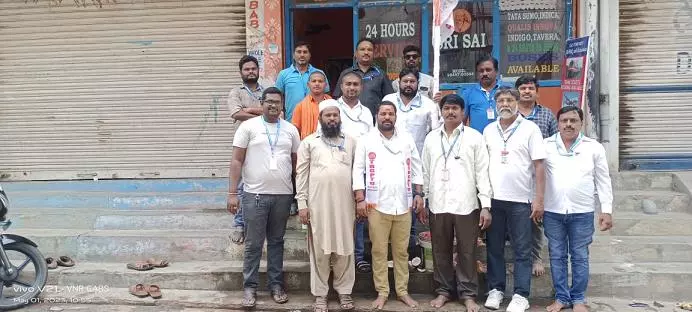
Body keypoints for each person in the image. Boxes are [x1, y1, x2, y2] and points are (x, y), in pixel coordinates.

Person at [227, 87, 301, 309]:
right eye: (268, 101)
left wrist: (299, 194)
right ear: (262, 103)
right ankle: (250, 287)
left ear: (282, 105)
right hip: (254, 195)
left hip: (283, 195)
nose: (273, 105)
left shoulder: (290, 130)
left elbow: (296, 163)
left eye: (277, 102)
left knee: (277, 242)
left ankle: (276, 285)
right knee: (253, 244)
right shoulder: (248, 127)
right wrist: (232, 193)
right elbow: (236, 161)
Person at [422, 94, 492, 312]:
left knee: (467, 251)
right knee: (440, 250)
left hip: (466, 203)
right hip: (437, 203)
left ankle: (468, 294)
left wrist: (486, 205)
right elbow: (425, 171)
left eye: (455, 108)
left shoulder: (474, 137)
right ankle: (443, 291)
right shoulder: (431, 138)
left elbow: (483, 172)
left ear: (463, 112)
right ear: (441, 112)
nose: (450, 112)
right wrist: (424, 200)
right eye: (447, 108)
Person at [352, 101, 424, 310]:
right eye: (383, 113)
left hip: (403, 204)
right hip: (377, 205)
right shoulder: (367, 140)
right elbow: (358, 170)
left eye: (390, 114)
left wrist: (419, 194)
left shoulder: (406, 139)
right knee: (379, 251)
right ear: (377, 115)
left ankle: (402, 292)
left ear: (395, 117)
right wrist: (360, 198)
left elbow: (417, 168)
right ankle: (382, 292)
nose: (386, 117)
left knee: (402, 252)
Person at [543, 106, 613, 312]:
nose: (569, 124)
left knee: (580, 256)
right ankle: (562, 298)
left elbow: (603, 180)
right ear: (558, 123)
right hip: (552, 211)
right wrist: (535, 203)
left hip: (582, 212)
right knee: (557, 255)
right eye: (564, 120)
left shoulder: (594, 147)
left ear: (582, 123)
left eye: (573, 120)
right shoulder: (545, 145)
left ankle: (579, 299)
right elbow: (534, 177)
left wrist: (606, 210)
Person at [482, 87, 546, 312]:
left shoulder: (531, 129)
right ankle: (496, 290)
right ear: (495, 104)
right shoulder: (489, 130)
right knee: (495, 248)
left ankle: (520, 294)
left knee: (522, 249)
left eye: (509, 100)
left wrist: (539, 199)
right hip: (494, 200)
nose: (505, 104)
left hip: (522, 201)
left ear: (517, 103)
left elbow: (539, 166)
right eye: (501, 100)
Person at [295, 99, 357, 312]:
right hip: (317, 206)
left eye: (335, 115)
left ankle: (344, 292)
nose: (332, 119)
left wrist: (359, 201)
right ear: (320, 118)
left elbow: (358, 174)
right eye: (327, 115)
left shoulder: (351, 142)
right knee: (320, 251)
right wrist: (302, 204)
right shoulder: (309, 142)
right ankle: (320, 295)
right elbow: (301, 175)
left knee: (345, 249)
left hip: (345, 206)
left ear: (340, 118)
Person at [382, 68, 441, 261]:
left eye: (412, 81)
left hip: (417, 165)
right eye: (405, 81)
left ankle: (411, 256)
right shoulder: (389, 101)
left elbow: (435, 133)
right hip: (389, 162)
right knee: (391, 206)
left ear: (418, 84)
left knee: (413, 207)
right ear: (398, 82)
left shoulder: (429, 105)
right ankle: (391, 254)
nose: (408, 84)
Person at [514, 74, 558, 277]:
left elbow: (556, 143)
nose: (526, 91)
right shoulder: (510, 115)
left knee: (535, 216)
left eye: (530, 88)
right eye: (522, 88)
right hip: (514, 174)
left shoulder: (547, 115)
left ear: (536, 91)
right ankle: (518, 254)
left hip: (538, 174)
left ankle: (536, 257)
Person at [333, 71, 375, 274]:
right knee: (340, 212)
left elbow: (371, 140)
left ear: (361, 87)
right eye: (348, 84)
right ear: (341, 86)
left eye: (355, 84)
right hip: (339, 167)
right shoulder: (332, 109)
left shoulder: (366, 112)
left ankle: (358, 256)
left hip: (362, 168)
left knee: (360, 212)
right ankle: (340, 256)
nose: (352, 88)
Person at [227, 55, 264, 245]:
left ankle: (258, 225)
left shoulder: (267, 91)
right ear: (241, 72)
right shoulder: (236, 92)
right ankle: (239, 225)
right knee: (241, 186)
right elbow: (235, 113)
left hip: (265, 145)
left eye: (253, 69)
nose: (250, 72)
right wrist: (261, 113)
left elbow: (278, 111)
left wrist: (249, 110)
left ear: (258, 70)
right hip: (243, 144)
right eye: (247, 69)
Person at [334, 38, 394, 120]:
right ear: (355, 53)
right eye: (362, 49)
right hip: (348, 119)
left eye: (369, 50)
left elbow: (389, 99)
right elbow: (337, 97)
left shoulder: (381, 74)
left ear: (374, 54)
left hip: (374, 120)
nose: (366, 52)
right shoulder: (346, 74)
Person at [276, 42, 330, 122]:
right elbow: (277, 96)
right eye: (299, 52)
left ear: (310, 55)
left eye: (305, 52)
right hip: (291, 121)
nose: (302, 55)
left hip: (316, 120)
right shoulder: (284, 74)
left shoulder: (319, 74)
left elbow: (326, 95)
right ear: (294, 55)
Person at [460, 55, 505, 133]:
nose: (484, 73)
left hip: (503, 139)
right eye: (481, 71)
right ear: (477, 73)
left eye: (488, 70)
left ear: (496, 71)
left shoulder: (507, 90)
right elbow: (461, 121)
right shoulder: (468, 93)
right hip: (477, 140)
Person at [292, 71, 332, 140]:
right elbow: (295, 130)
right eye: (314, 81)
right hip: (308, 145)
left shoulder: (332, 104)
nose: (317, 84)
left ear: (325, 84)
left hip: (329, 144)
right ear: (308, 84)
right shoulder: (300, 106)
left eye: (320, 81)